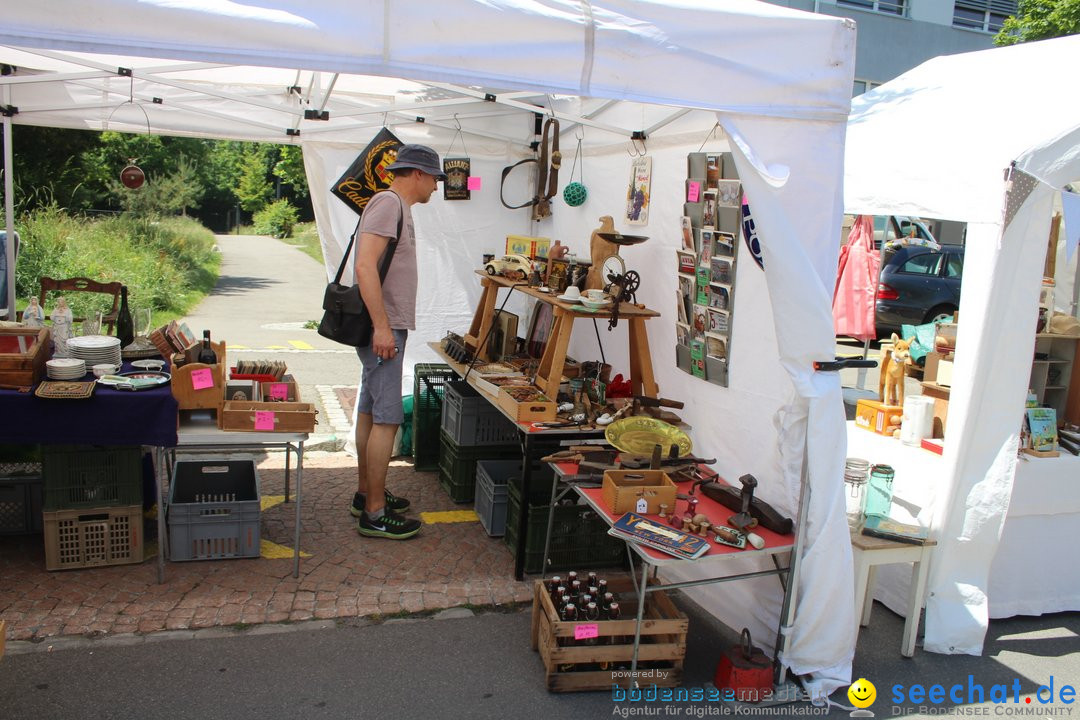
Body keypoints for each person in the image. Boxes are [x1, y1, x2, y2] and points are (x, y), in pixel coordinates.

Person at [350, 144, 445, 540]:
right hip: (382, 328)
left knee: (371, 411)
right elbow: (364, 265)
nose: (437, 188)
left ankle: (365, 493)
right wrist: (382, 327)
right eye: (435, 179)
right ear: (418, 174)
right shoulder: (389, 203)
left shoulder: (394, 206)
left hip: (384, 326)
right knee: (388, 417)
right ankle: (374, 513)